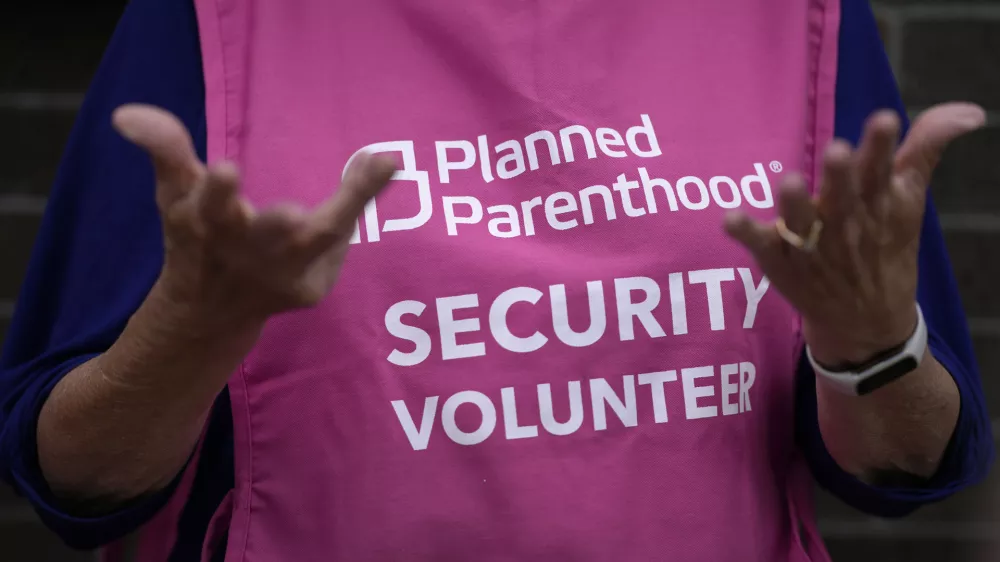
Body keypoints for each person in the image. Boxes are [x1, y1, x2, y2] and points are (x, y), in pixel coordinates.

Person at [0, 0, 993, 560]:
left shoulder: (798, 19)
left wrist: (869, 347)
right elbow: (76, 481)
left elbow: (901, 470)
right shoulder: (209, 20)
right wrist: (191, 334)